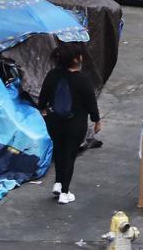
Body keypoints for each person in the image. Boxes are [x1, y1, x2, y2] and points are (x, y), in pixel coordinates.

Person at [39, 42, 101, 204]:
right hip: (75, 124)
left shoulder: (52, 75)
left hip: (54, 122)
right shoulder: (83, 80)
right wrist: (96, 120)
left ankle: (58, 183)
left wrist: (45, 112)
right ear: (75, 60)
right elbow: (91, 103)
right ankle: (65, 192)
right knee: (70, 156)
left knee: (59, 152)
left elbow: (42, 99)